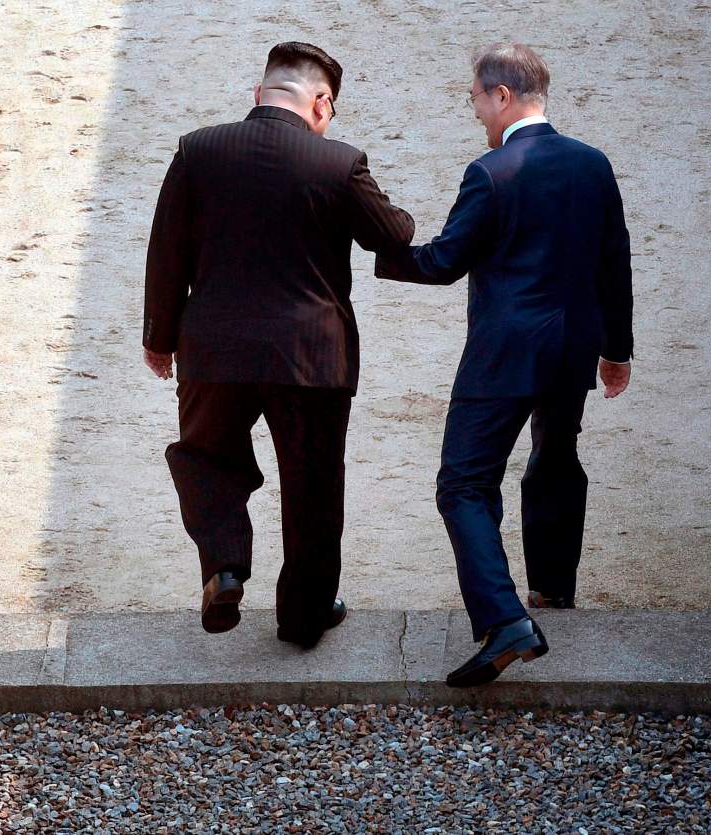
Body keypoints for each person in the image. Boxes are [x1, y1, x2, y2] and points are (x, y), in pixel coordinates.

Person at [375, 43, 634, 687]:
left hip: (504, 352)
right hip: (572, 346)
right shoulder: (593, 164)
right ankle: (551, 590)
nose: (476, 111)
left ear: (503, 96)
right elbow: (615, 262)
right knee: (555, 457)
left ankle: (505, 618)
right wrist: (616, 351)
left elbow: (443, 261)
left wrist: (383, 250)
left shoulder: (492, 171)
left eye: (476, 99)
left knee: (463, 483)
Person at [143, 42, 414, 648]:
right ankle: (303, 617)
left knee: (206, 459)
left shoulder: (197, 150)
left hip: (213, 350)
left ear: (259, 94)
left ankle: (224, 565)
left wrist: (159, 340)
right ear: (321, 103)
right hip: (312, 356)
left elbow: (166, 254)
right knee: (313, 486)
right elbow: (391, 234)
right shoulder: (338, 164)